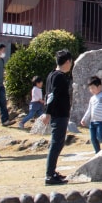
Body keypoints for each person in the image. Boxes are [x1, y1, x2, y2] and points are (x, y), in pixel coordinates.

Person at [41, 50, 73, 185]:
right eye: (71, 62)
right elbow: (52, 96)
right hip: (59, 114)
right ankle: (49, 175)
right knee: (56, 144)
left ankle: (52, 172)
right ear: (67, 62)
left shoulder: (51, 75)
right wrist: (47, 112)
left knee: (58, 143)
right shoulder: (59, 77)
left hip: (59, 114)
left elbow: (47, 95)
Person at [80, 76, 102, 153]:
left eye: (93, 88)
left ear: (99, 86)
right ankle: (97, 153)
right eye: (90, 88)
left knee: (100, 137)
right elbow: (89, 110)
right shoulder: (92, 98)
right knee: (93, 139)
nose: (91, 90)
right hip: (93, 122)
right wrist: (84, 119)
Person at [0, 43, 11, 126]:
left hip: (0, 85)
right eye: (3, 50)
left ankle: (5, 121)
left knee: (3, 103)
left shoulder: (2, 60)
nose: (4, 52)